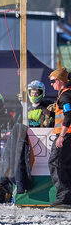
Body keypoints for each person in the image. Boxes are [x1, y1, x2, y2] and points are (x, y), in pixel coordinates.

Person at [48, 67, 71, 209]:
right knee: (65, 166)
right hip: (68, 134)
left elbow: (69, 115)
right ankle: (66, 198)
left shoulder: (65, 95)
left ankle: (63, 198)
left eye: (52, 81)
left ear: (60, 80)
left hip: (66, 135)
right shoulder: (66, 94)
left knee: (55, 163)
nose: (51, 84)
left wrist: (61, 136)